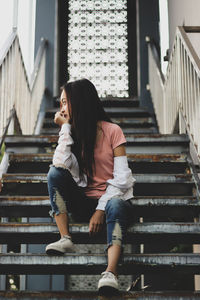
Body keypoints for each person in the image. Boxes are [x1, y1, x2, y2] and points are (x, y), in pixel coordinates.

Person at [46, 78, 135, 294]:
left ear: (80, 102)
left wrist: (100, 209)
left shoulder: (113, 131)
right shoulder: (73, 135)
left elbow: (123, 179)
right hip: (84, 202)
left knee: (114, 203)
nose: (62, 109)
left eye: (65, 102)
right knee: (54, 172)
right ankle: (65, 237)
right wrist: (65, 128)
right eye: (61, 103)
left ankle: (110, 273)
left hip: (114, 202)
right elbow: (59, 165)